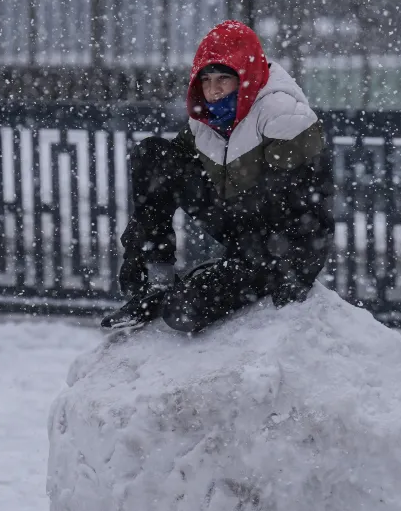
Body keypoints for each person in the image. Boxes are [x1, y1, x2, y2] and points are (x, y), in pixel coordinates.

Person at [101, 20, 334, 334]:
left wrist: (290, 277)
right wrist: (139, 251)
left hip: (280, 249)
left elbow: (304, 211)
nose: (213, 89)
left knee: (183, 313)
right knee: (153, 154)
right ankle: (156, 279)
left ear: (246, 77)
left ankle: (192, 290)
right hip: (241, 227)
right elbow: (171, 171)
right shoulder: (207, 117)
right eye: (206, 79)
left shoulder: (283, 115)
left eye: (225, 78)